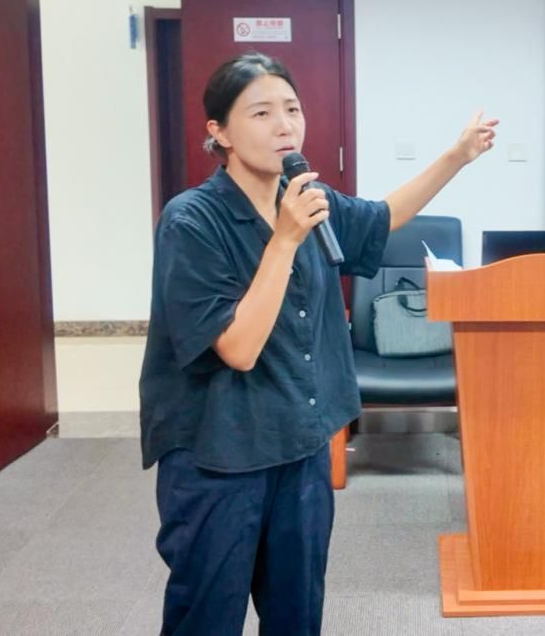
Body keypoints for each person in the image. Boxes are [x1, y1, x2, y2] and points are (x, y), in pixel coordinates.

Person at [138, 52, 496, 635]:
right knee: (207, 616)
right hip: (219, 453)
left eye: (292, 109)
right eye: (261, 113)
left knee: (298, 614)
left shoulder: (307, 198)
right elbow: (238, 349)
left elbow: (382, 216)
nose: (284, 125)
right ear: (220, 132)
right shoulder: (192, 221)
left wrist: (456, 157)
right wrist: (283, 240)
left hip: (300, 444)